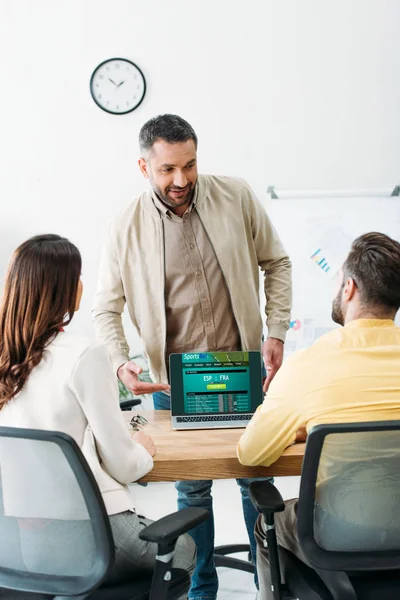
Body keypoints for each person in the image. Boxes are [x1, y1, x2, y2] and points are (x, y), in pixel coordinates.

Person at [92, 114, 292, 599]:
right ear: (144, 167)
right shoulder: (125, 225)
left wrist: (278, 331)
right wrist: (123, 362)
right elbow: (105, 308)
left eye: (189, 165)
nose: (180, 180)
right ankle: (203, 588)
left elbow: (277, 261)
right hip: (174, 385)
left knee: (254, 481)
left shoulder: (236, 196)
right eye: (167, 170)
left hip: (242, 374)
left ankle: (269, 582)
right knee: (193, 492)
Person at [0, 234, 195, 593]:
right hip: (79, 537)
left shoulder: (5, 354)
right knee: (182, 548)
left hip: (14, 547)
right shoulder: (83, 355)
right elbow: (124, 465)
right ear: (65, 290)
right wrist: (141, 448)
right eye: (77, 277)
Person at [237, 232, 400, 600]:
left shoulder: (309, 365)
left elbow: (251, 455)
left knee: (270, 522)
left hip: (341, 530)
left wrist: (304, 430)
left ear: (349, 288)